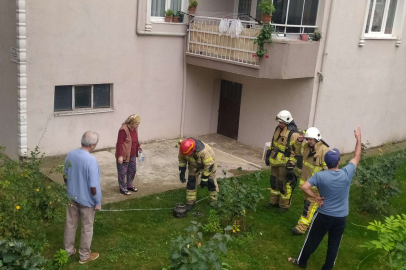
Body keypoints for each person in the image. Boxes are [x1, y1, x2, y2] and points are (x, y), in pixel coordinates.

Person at [288, 127, 362, 269]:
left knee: (312, 240)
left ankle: (301, 262)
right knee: (334, 245)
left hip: (323, 215)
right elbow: (357, 156)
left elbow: (304, 187)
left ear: (326, 163)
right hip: (341, 218)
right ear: (338, 162)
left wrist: (316, 197)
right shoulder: (346, 173)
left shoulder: (320, 176)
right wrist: (358, 138)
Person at [63, 131, 102, 264]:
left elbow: (65, 175)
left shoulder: (71, 154)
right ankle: (84, 256)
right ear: (92, 145)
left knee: (70, 224)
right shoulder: (91, 160)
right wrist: (97, 201)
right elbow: (94, 186)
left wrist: (70, 188)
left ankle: (67, 251)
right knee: (87, 227)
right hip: (87, 201)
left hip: (71, 197)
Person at [291, 127, 329, 235]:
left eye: (310, 139)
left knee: (309, 206)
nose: (308, 141)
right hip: (306, 183)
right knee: (308, 206)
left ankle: (301, 228)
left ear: (317, 138)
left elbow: (329, 171)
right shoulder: (306, 146)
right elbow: (296, 151)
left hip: (316, 187)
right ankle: (316, 223)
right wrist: (299, 141)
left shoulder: (324, 150)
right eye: (307, 139)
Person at [265, 110, 301, 212]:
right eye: (279, 122)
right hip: (275, 161)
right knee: (274, 181)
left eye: (281, 122)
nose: (279, 124)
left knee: (283, 184)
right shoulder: (278, 128)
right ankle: (273, 202)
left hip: (285, 164)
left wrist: (291, 165)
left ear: (287, 121)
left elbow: (296, 152)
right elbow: (274, 143)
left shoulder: (293, 134)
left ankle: (284, 205)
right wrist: (269, 154)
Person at [178, 138, 218, 211]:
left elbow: (209, 165)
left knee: (211, 182)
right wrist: (182, 172)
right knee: (191, 182)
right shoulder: (183, 149)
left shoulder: (203, 151)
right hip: (194, 165)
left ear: (193, 150)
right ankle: (190, 202)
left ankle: (214, 201)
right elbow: (182, 161)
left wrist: (204, 179)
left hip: (209, 164)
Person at [115, 114, 142, 196]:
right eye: (136, 124)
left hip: (132, 154)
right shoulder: (123, 130)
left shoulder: (135, 128)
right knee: (123, 172)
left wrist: (138, 146)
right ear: (131, 123)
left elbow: (135, 139)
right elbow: (119, 144)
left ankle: (129, 185)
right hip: (124, 155)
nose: (137, 126)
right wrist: (120, 155)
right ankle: (123, 188)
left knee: (132, 170)